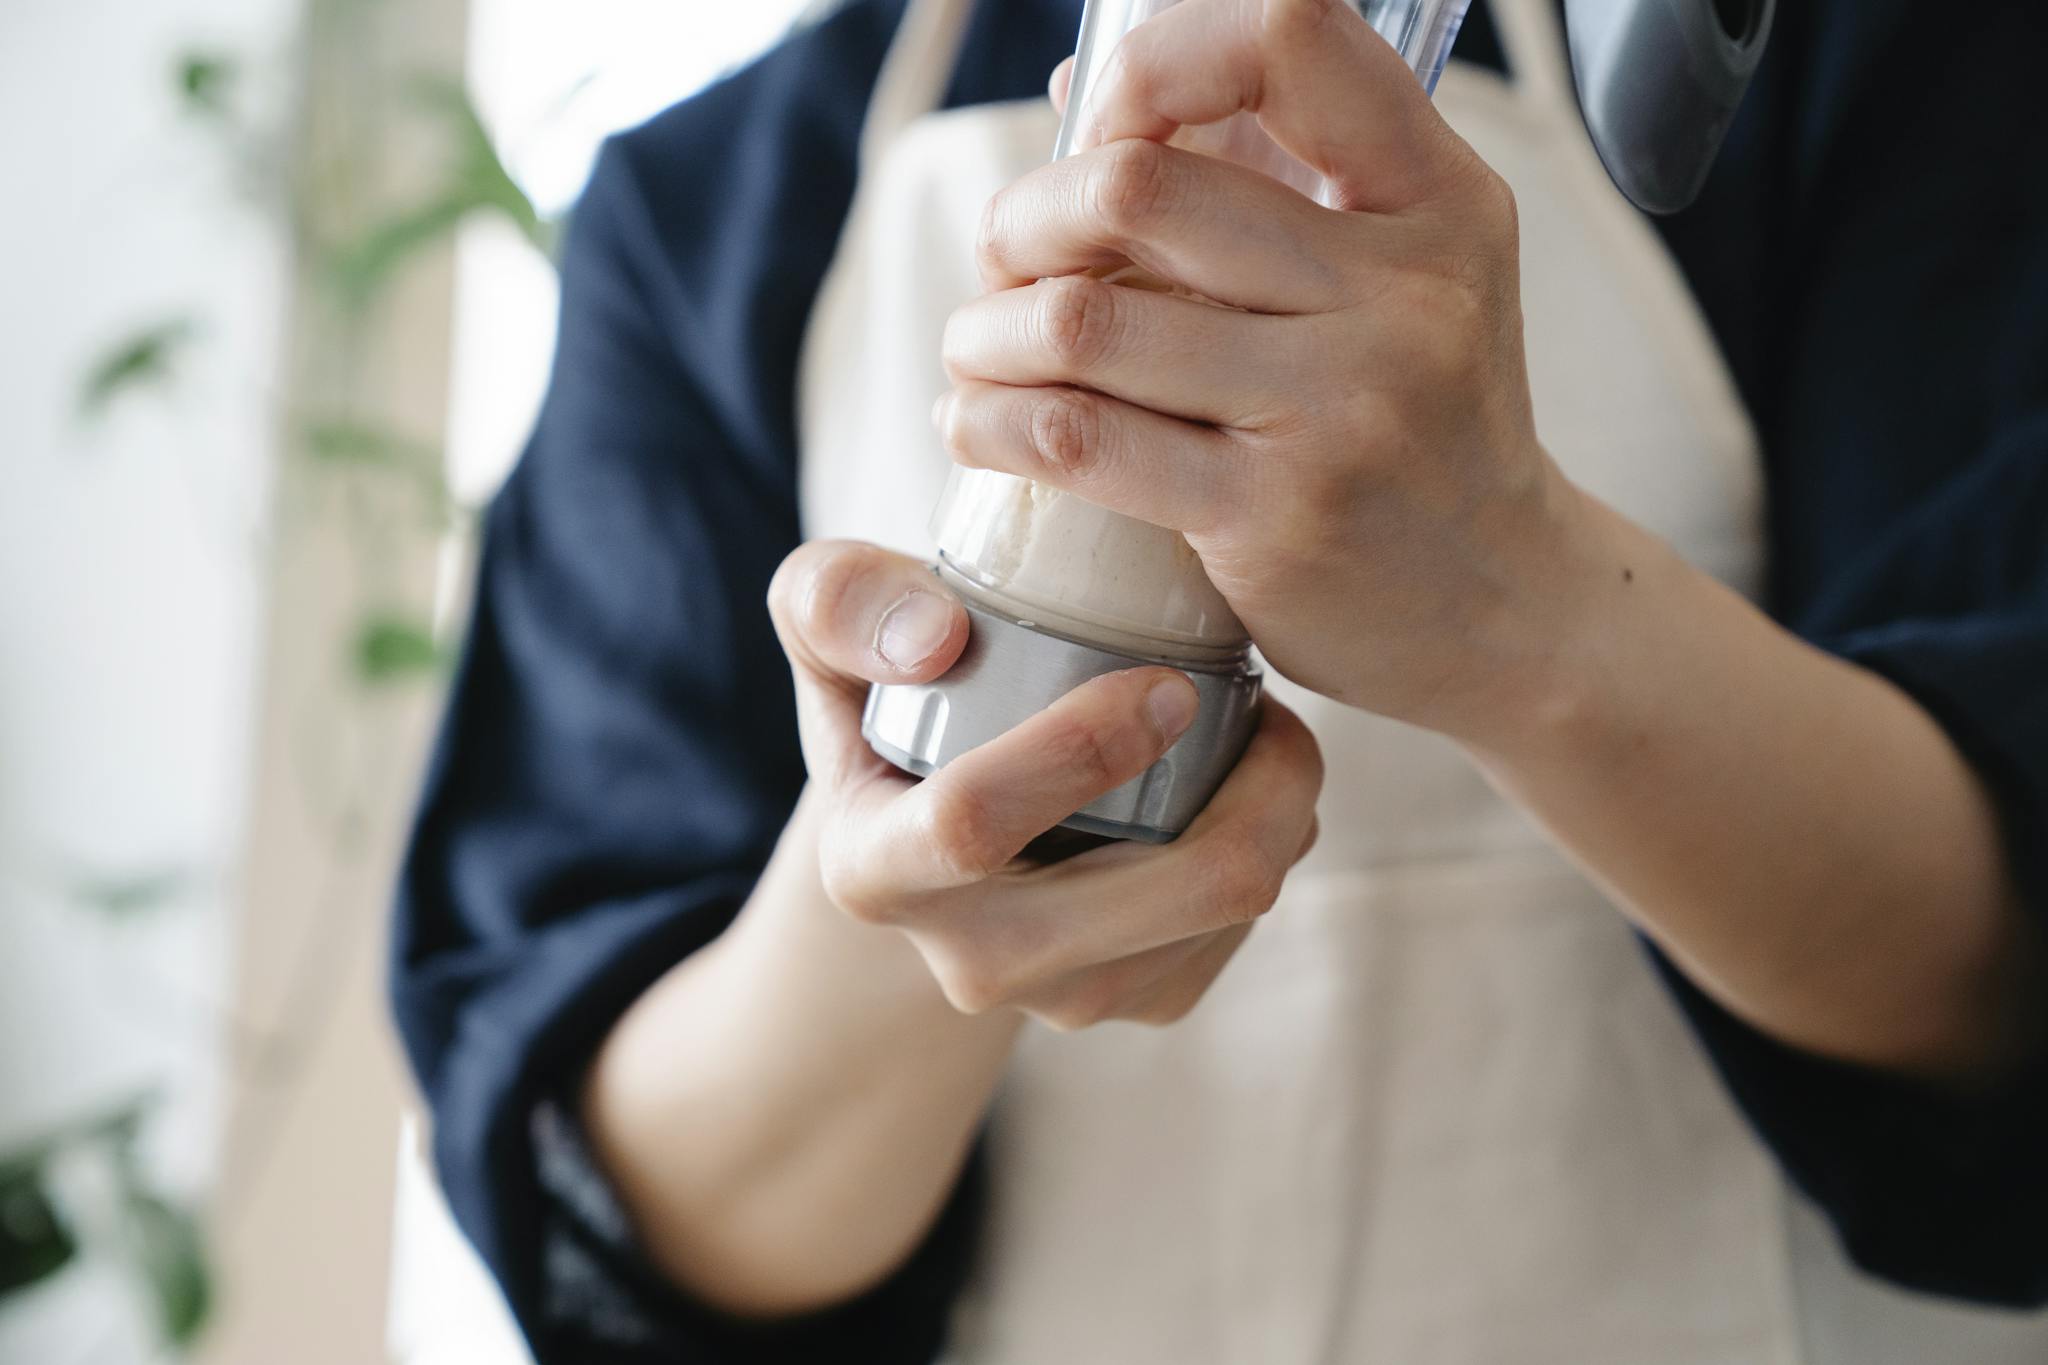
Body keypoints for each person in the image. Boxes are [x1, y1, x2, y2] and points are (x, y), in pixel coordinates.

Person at [391, 0, 2048, 1360]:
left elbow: (2005, 988)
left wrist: (1520, 605)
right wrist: (921, 870)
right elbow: (627, 1224)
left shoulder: (1810, 68)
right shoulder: (713, 211)